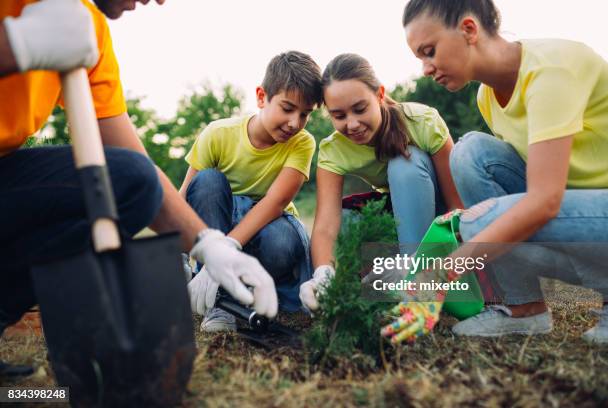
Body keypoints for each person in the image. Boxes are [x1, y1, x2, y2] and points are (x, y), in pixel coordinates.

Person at [0, 0, 277, 365]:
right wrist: (18, 43)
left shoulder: (87, 31)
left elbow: (138, 168)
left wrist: (209, 246)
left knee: (131, 181)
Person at [385, 0, 608, 344]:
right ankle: (525, 308)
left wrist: (444, 271)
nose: (426, 68)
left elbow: (545, 201)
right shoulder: (486, 98)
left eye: (429, 52)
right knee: (470, 154)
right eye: (420, 58)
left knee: (480, 222)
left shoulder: (552, 71)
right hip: (579, 207)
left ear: (469, 29)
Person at [300, 53, 463, 312]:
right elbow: (326, 226)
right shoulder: (333, 149)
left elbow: (457, 205)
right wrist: (323, 272)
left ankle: (416, 279)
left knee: (403, 165)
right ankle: (389, 276)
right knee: (347, 221)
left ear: (380, 94)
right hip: (399, 219)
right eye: (338, 115)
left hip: (437, 222)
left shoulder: (422, 122)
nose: (352, 124)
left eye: (360, 109)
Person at [180, 51, 321, 331]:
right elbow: (185, 196)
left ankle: (240, 287)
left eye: (305, 114)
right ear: (261, 97)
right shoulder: (217, 134)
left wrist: (227, 248)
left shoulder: (302, 143)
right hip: (221, 223)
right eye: (287, 108)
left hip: (269, 225)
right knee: (207, 181)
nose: (295, 122)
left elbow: (276, 202)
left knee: (282, 240)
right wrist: (182, 255)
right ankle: (221, 302)